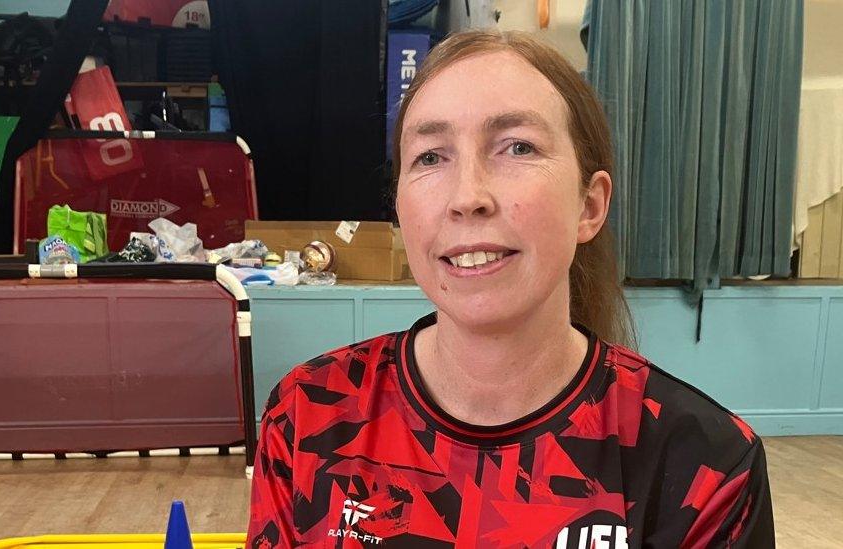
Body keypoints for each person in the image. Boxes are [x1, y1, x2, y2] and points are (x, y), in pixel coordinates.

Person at [247, 30, 774, 548]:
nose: (467, 196)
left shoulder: (705, 468)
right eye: (431, 156)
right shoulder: (308, 415)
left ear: (589, 205)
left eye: (517, 147)